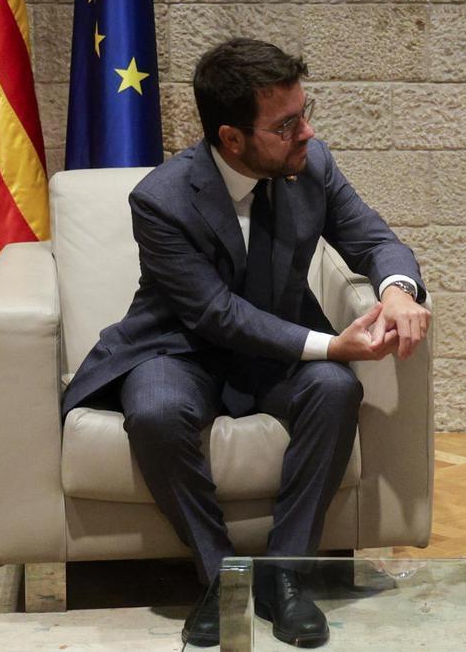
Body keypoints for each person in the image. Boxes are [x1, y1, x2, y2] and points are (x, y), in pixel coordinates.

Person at [60, 38, 431, 648]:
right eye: (286, 125)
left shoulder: (312, 165)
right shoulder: (162, 198)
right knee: (153, 410)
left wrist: (396, 291)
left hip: (277, 352)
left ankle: (285, 577)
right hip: (179, 348)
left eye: (306, 113)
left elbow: (373, 238)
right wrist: (330, 344)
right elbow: (214, 313)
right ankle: (220, 578)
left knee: (334, 392)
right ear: (232, 138)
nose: (306, 133)